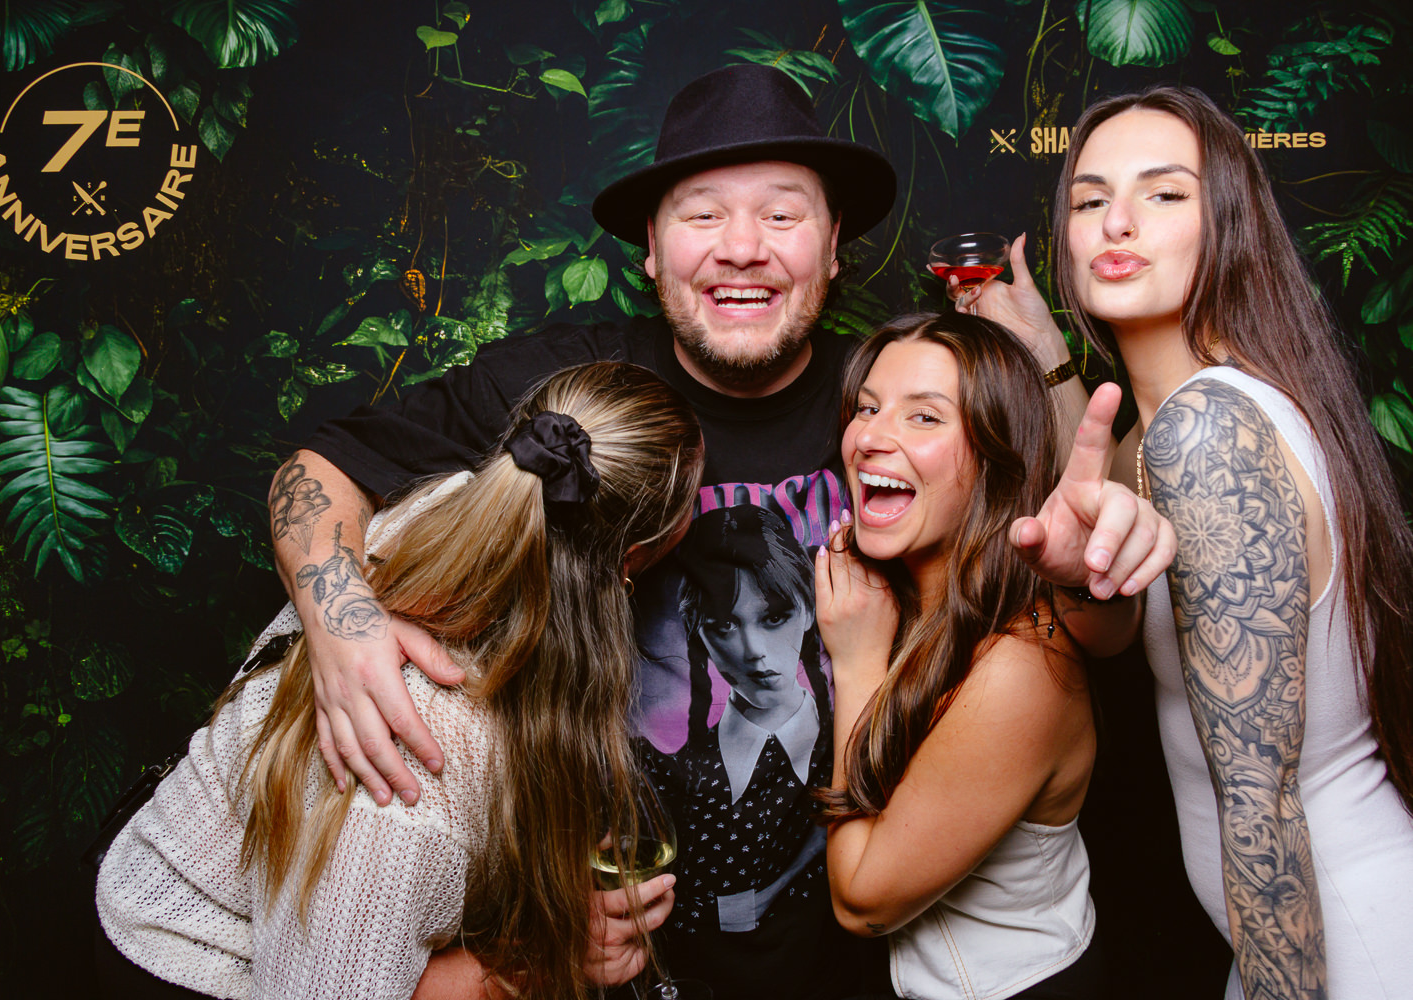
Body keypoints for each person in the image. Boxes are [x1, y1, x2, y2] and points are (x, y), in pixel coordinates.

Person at [271, 64, 1172, 999]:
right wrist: (341, 625)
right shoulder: (574, 393)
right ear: (651, 250)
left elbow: (1060, 611)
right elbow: (321, 468)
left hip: (852, 968)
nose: (743, 248)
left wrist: (1086, 540)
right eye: (703, 215)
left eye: (782, 215)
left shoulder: (885, 400)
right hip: (618, 962)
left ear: (833, 248)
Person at [976, 84, 1413, 999]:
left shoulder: (1207, 433)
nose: (1117, 221)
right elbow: (1117, 530)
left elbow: (1259, 799)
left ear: (1229, 224)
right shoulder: (1190, 417)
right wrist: (1047, 354)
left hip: (1341, 953)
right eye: (1090, 201)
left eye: (1165, 193)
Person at [94, 362, 705, 1000]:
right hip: (182, 966)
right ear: (631, 561)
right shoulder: (413, 773)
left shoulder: (467, 499)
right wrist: (545, 962)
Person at [815, 312, 1101, 1000]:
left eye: (924, 417)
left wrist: (857, 663)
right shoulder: (913, 600)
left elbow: (861, 901)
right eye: (868, 409)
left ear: (996, 456)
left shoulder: (1021, 668)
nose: (870, 437)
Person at [648, 505, 833, 942]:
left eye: (774, 617)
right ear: (699, 634)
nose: (753, 651)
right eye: (724, 625)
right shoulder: (661, 771)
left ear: (808, 611)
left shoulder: (855, 738)